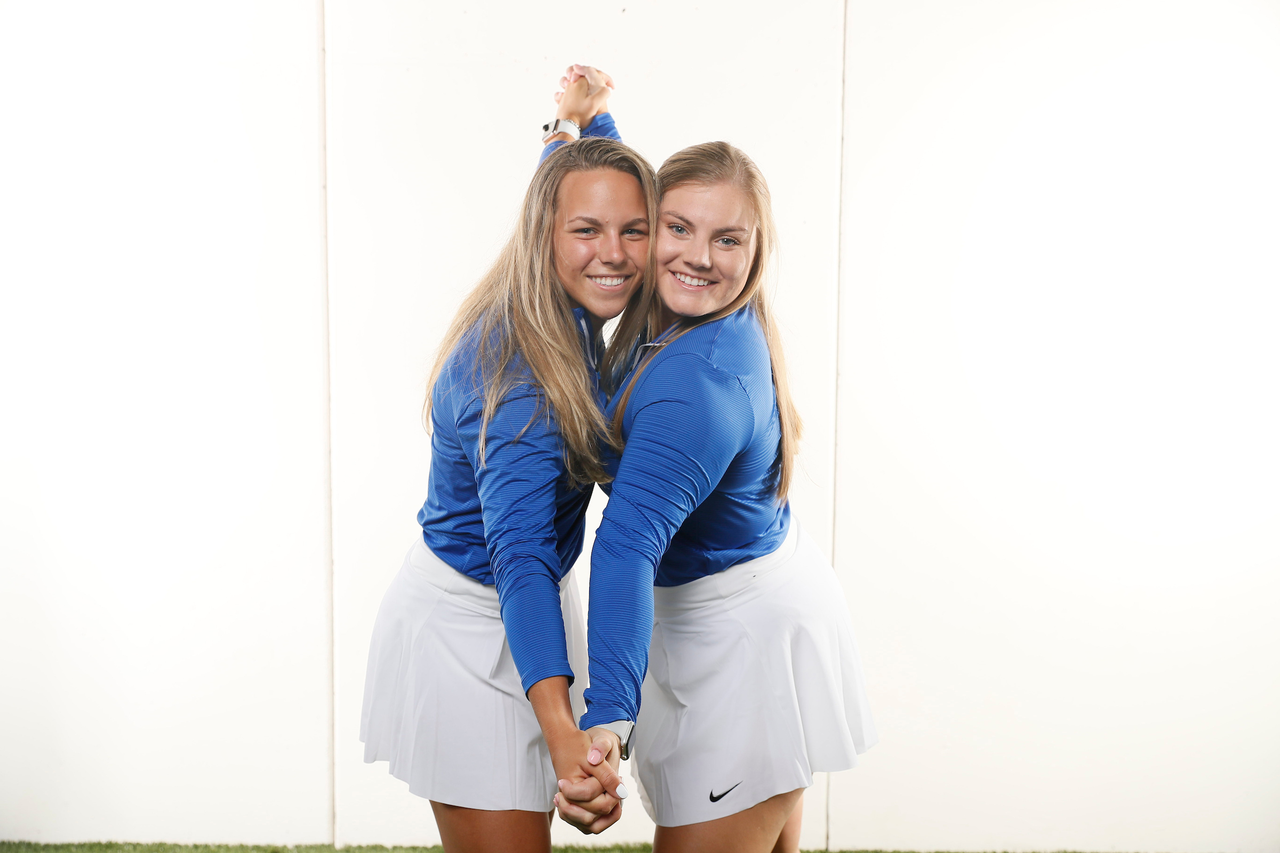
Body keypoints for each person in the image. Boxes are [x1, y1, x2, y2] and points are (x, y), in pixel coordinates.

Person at [549, 66, 878, 853]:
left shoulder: (697, 385)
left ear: (755, 252)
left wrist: (605, 721)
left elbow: (625, 545)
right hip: (739, 611)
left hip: (745, 647)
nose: (697, 256)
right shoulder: (691, 316)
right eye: (679, 228)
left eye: (726, 239)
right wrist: (588, 128)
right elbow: (614, 208)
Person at [360, 76, 656, 853]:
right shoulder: (514, 379)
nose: (617, 255)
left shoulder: (560, 276)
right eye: (589, 231)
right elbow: (519, 561)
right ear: (544, 232)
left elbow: (575, 181)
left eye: (636, 230)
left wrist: (583, 120)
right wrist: (564, 736)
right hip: (471, 619)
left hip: (530, 605)